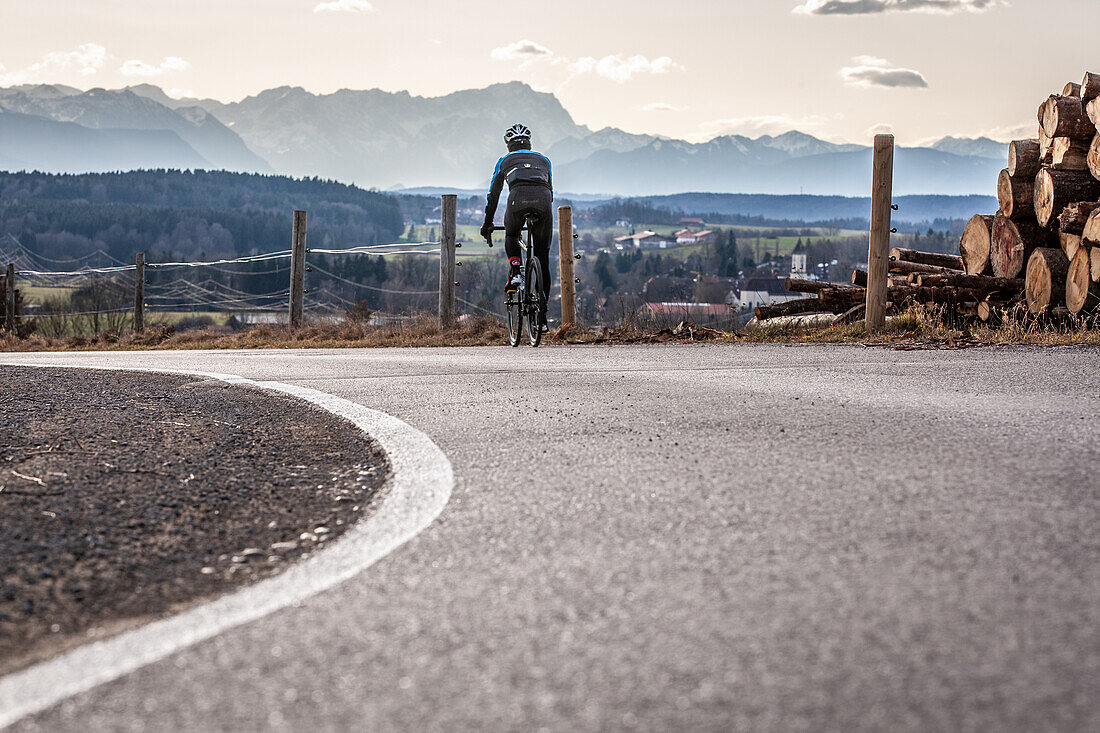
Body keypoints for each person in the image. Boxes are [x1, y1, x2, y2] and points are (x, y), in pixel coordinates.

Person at [480, 123, 554, 331]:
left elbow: (493, 195)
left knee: (512, 233)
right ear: (529, 144)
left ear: (508, 145)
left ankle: (515, 270)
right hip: (543, 201)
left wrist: (488, 222)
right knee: (543, 257)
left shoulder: (504, 161)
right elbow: (551, 189)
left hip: (516, 200)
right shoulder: (544, 160)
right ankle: (542, 317)